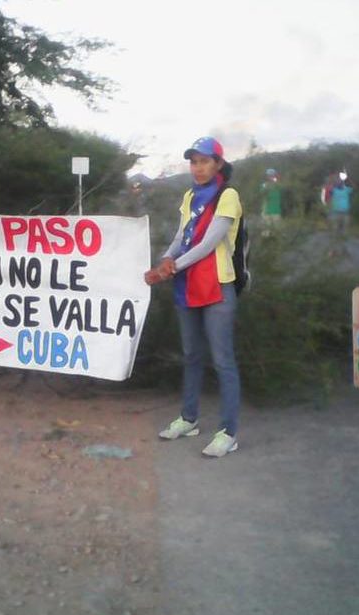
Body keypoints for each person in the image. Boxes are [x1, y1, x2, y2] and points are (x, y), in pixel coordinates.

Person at [144, 137, 242, 458]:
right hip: (187, 284)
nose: (197, 168)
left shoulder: (228, 195)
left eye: (204, 161)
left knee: (223, 360)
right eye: (193, 161)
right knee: (191, 355)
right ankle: (189, 419)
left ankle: (228, 432)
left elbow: (208, 245)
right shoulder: (190, 195)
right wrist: (164, 261)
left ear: (218, 164)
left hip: (217, 285)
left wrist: (171, 267)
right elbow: (181, 236)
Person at [327, 172, 353, 256]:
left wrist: (347, 177)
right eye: (338, 181)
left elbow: (353, 186)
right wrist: (333, 179)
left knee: (345, 233)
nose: (339, 182)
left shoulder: (347, 189)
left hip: (345, 214)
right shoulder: (333, 190)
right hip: (335, 213)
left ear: (343, 182)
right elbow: (328, 189)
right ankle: (333, 250)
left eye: (341, 181)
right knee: (335, 233)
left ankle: (344, 250)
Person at [260, 168, 282, 235]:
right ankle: (266, 241)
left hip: (276, 210)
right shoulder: (264, 185)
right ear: (266, 176)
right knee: (266, 229)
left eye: (272, 175)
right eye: (269, 175)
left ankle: (276, 240)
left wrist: (275, 182)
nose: (271, 177)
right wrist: (267, 186)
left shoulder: (278, 184)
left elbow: (281, 188)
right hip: (266, 210)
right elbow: (261, 193)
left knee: (277, 228)